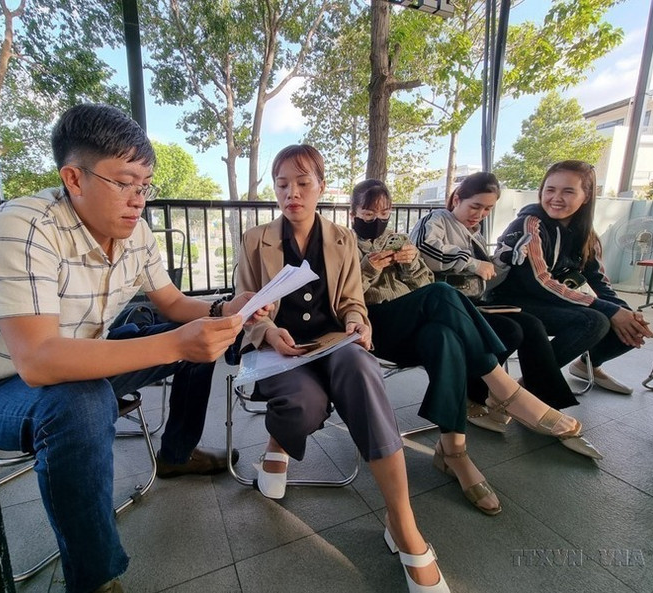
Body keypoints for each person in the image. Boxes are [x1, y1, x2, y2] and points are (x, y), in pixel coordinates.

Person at [0, 103, 269, 593]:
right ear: (74, 178)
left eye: (145, 186)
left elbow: (172, 302)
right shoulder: (23, 226)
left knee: (196, 348)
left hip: (86, 362)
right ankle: (94, 578)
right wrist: (173, 342)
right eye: (124, 183)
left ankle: (176, 453)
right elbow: (38, 362)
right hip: (0, 390)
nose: (138, 200)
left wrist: (226, 308)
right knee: (82, 400)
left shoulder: (137, 232)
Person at [237, 145, 451, 592]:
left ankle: (402, 522)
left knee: (360, 366)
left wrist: (357, 320)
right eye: (281, 184)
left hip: (334, 341)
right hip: (280, 346)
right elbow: (247, 307)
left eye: (302, 183)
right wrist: (269, 331)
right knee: (304, 406)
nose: (291, 193)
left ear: (320, 187)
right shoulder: (256, 240)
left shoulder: (342, 238)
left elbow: (354, 299)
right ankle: (278, 440)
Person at [351, 179, 601, 481]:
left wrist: (409, 263)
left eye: (383, 213)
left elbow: (423, 284)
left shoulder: (400, 239)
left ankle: (454, 449)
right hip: (375, 324)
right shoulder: (343, 243)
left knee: (445, 336)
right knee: (443, 294)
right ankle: (506, 389)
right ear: (353, 211)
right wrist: (368, 267)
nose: (377, 221)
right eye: (367, 214)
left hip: (416, 322)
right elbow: (343, 298)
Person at [409, 172, 578, 432]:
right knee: (509, 330)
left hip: (473, 304)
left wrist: (503, 262)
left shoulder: (473, 234)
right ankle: (474, 394)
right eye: (475, 206)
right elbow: (424, 250)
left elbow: (486, 281)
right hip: (442, 308)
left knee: (531, 325)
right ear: (457, 199)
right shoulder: (437, 220)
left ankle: (545, 400)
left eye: (487, 208)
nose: (480, 213)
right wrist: (474, 262)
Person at [488, 160, 653, 395]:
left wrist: (622, 311)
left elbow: (597, 280)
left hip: (551, 301)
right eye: (550, 190)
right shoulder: (529, 224)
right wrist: (607, 309)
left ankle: (588, 365)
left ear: (586, 196)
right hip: (513, 300)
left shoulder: (585, 233)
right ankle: (524, 389)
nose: (556, 198)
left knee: (627, 318)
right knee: (594, 320)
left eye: (568, 191)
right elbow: (539, 281)